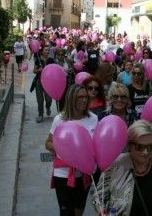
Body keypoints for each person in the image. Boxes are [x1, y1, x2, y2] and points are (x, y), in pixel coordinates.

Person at [91, 120, 152, 215]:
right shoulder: (115, 165)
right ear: (129, 145)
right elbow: (98, 196)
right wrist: (101, 210)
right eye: (139, 147)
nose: (145, 152)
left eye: (150, 147)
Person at [45, 84, 98, 216]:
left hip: (85, 174)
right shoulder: (60, 119)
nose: (84, 100)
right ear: (71, 98)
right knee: (66, 212)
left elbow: (96, 145)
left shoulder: (93, 118)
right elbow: (48, 143)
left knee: (78, 211)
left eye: (85, 97)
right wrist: (67, 151)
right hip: (63, 174)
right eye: (80, 97)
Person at [34, 45, 54, 123]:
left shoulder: (51, 60)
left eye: (48, 50)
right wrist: (39, 70)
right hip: (39, 81)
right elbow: (34, 71)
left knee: (49, 99)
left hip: (48, 82)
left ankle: (48, 107)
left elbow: (55, 69)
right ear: (42, 51)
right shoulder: (37, 60)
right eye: (46, 50)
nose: (48, 51)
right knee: (40, 99)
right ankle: (40, 114)